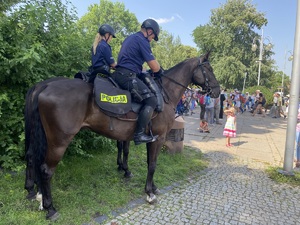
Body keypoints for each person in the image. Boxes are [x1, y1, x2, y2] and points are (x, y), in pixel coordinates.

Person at [111, 19, 163, 145]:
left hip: (119, 73)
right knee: (151, 100)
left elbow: (131, 61)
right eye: (153, 37)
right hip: (127, 76)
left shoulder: (131, 38)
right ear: (149, 31)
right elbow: (155, 67)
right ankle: (139, 134)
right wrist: (160, 70)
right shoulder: (142, 40)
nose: (151, 39)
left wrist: (141, 70)